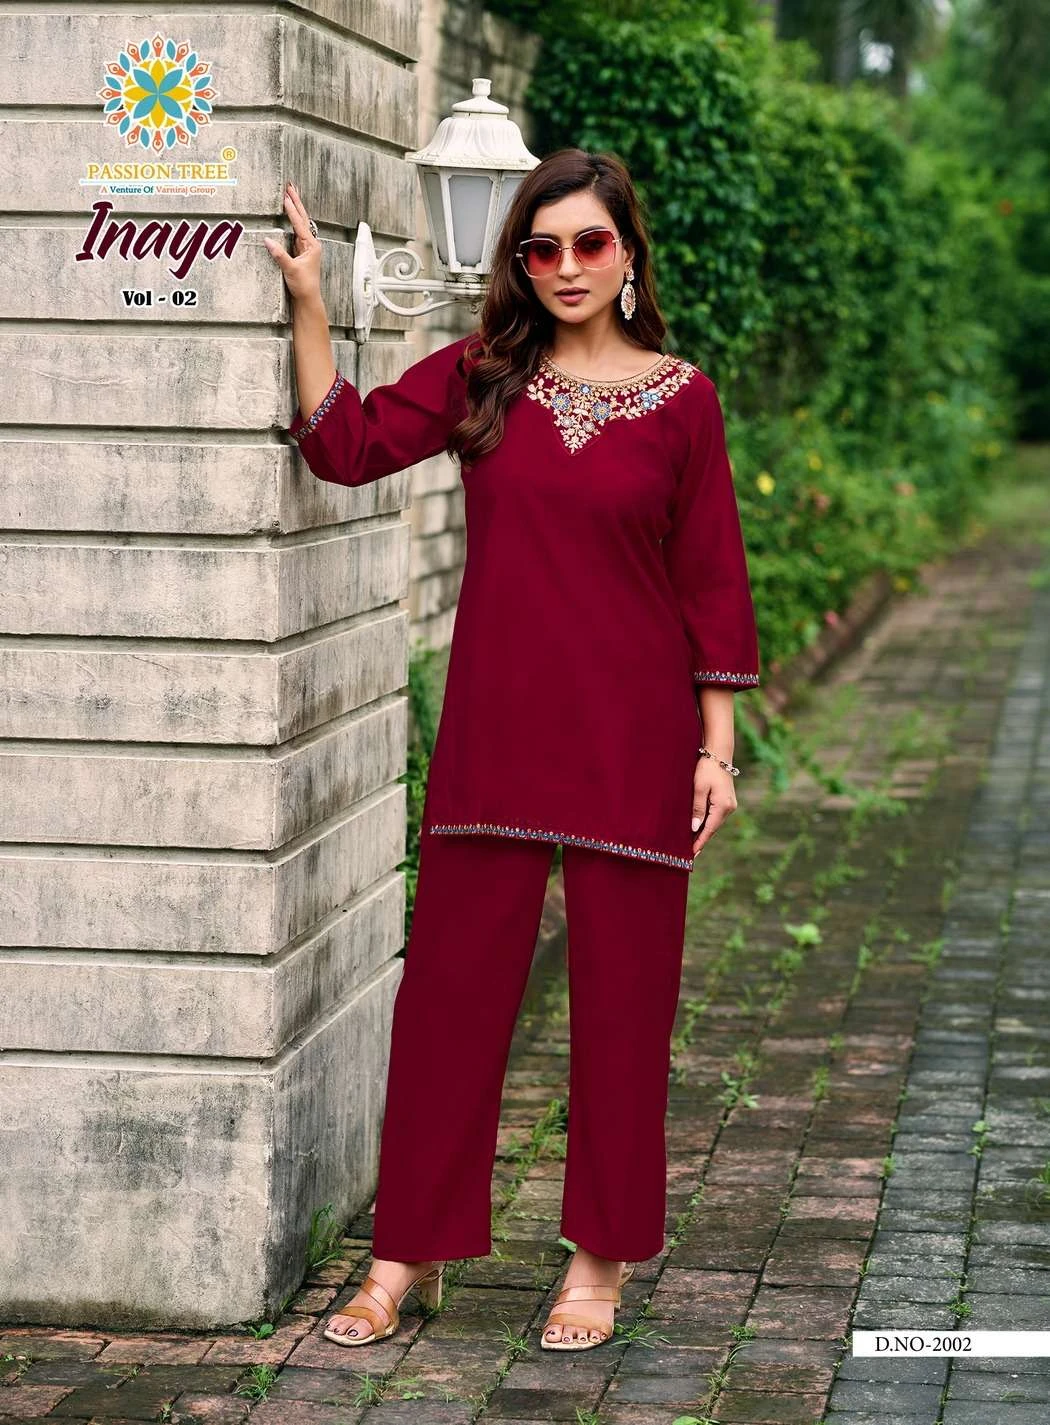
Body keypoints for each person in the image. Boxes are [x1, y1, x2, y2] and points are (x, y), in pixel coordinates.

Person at [263, 148, 760, 1352]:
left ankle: (598, 1262)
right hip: (497, 736)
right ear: (520, 264)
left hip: (635, 741)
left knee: (624, 1011)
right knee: (449, 1003)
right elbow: (346, 446)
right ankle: (406, 1254)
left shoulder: (683, 400)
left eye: (591, 243)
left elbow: (711, 580)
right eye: (543, 249)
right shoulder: (485, 374)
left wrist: (717, 750)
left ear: (628, 253)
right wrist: (312, 303)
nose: (568, 267)